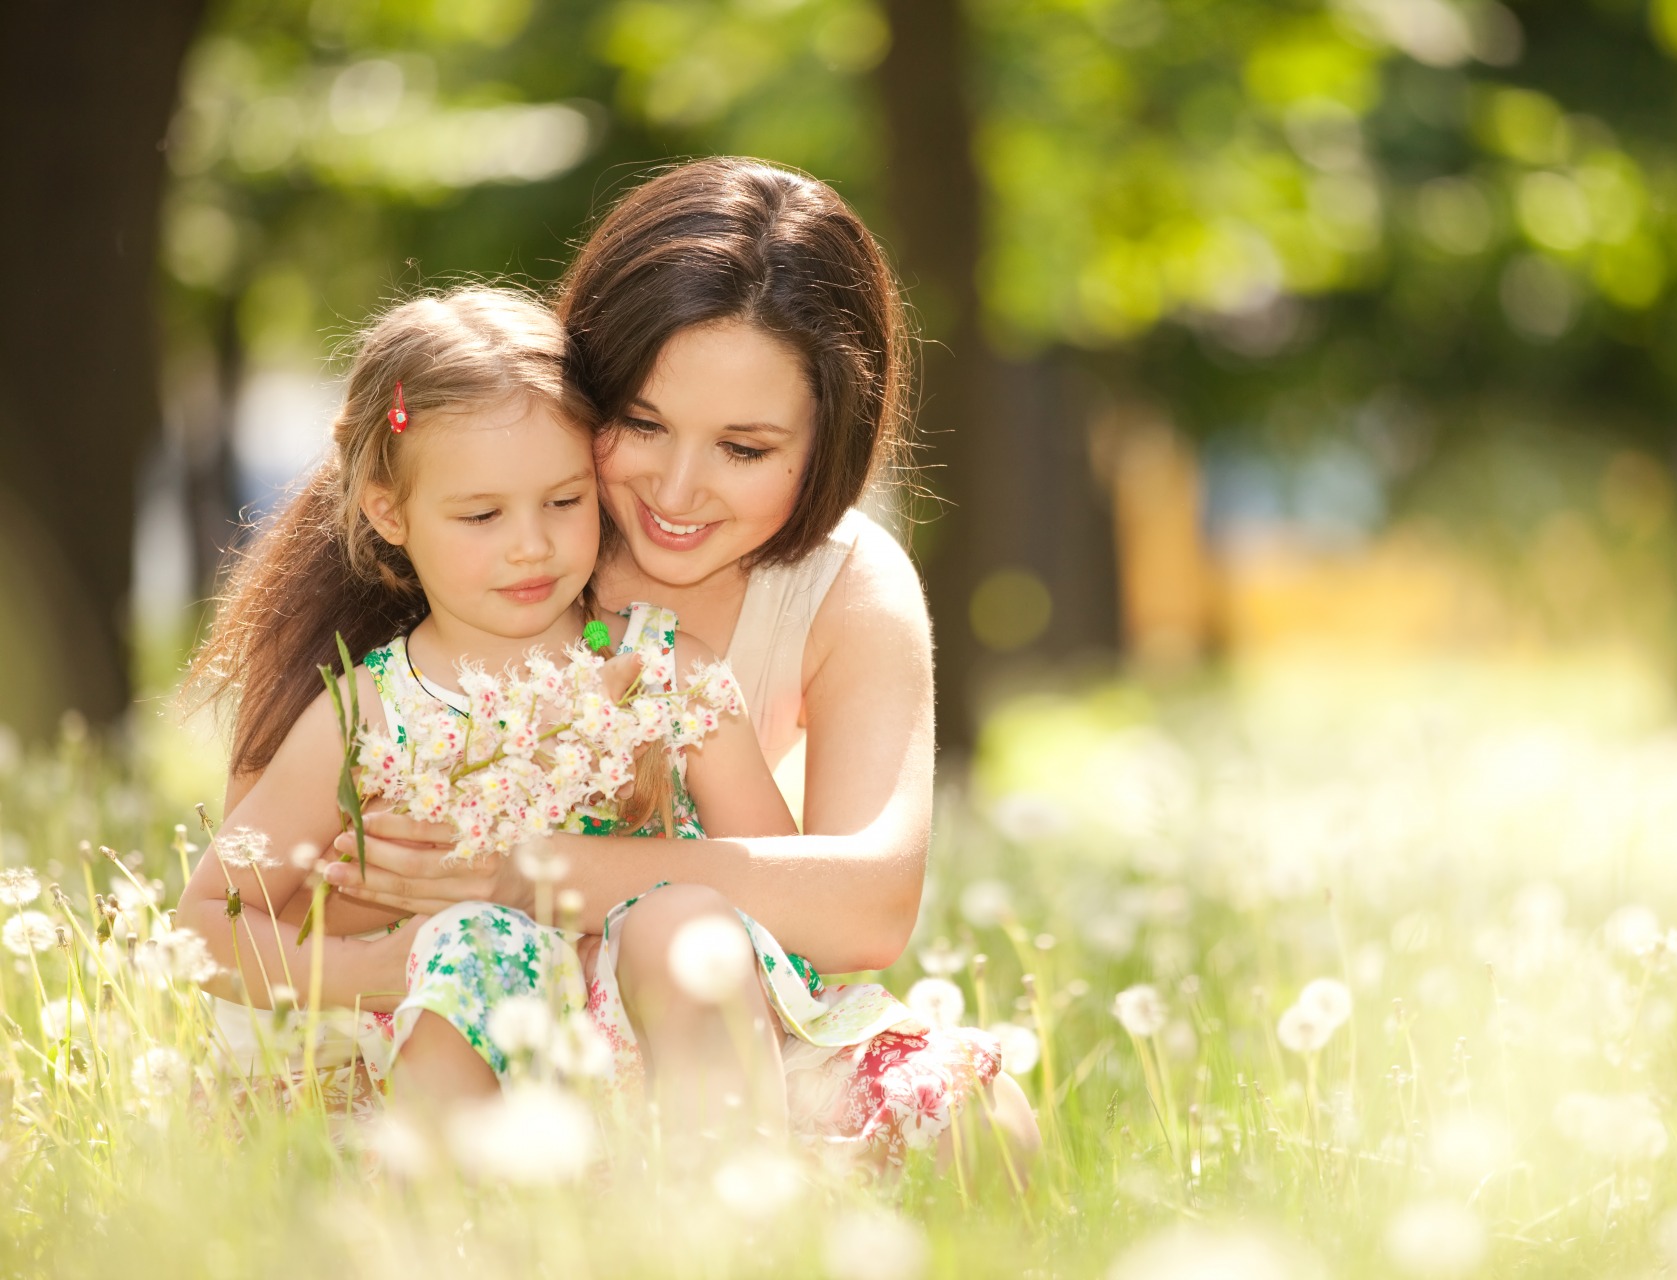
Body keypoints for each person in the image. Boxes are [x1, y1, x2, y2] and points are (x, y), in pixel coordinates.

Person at [313, 157, 1039, 1168]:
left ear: (830, 440)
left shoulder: (843, 585)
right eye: (642, 424)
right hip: (492, 1028)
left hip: (716, 1020)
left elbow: (869, 905)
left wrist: (560, 868)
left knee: (982, 1128)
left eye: (744, 448)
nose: (679, 490)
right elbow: (292, 879)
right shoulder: (484, 531)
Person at [175, 286, 794, 1106]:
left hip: (651, 1068)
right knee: (474, 946)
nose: (531, 545)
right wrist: (387, 969)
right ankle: (449, 1211)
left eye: (564, 501)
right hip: (439, 1066)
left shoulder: (669, 676)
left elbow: (788, 895)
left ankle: (719, 1207)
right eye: (481, 516)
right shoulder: (370, 714)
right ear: (389, 513)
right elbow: (206, 925)